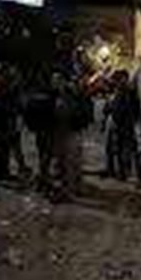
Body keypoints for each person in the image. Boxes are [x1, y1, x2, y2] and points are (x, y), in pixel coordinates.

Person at [50, 72, 94, 202]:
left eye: (57, 80)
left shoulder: (70, 95)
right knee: (65, 162)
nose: (54, 83)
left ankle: (69, 191)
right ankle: (71, 188)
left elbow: (69, 113)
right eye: (54, 81)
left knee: (70, 163)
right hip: (62, 132)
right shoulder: (59, 95)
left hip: (71, 132)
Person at [102, 70, 139, 181]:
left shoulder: (129, 92)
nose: (117, 82)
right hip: (116, 123)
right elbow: (109, 108)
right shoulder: (117, 92)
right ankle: (114, 170)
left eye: (119, 79)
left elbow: (132, 109)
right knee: (113, 149)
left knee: (124, 150)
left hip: (125, 125)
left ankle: (124, 172)